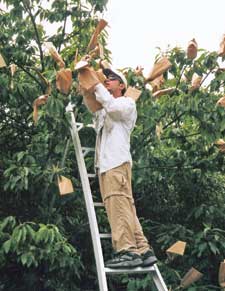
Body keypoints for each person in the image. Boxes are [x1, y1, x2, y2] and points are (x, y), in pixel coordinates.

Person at [91, 67, 157, 269]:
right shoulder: (107, 108)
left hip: (115, 164)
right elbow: (97, 113)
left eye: (112, 79)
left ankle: (127, 250)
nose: (107, 81)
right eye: (105, 79)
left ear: (122, 85)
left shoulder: (126, 103)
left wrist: (95, 83)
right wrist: (90, 87)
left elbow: (112, 107)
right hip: (113, 165)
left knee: (117, 205)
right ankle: (142, 249)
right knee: (127, 207)